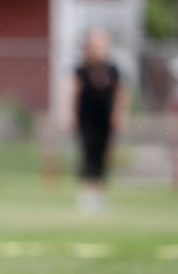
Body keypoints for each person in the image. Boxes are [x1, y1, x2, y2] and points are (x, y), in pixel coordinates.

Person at [69, 28, 128, 214]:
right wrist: (70, 115)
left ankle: (100, 195)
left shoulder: (113, 69)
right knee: (88, 153)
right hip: (86, 118)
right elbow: (74, 93)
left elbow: (120, 93)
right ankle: (86, 195)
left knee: (103, 155)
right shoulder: (82, 69)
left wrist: (120, 114)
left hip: (106, 118)